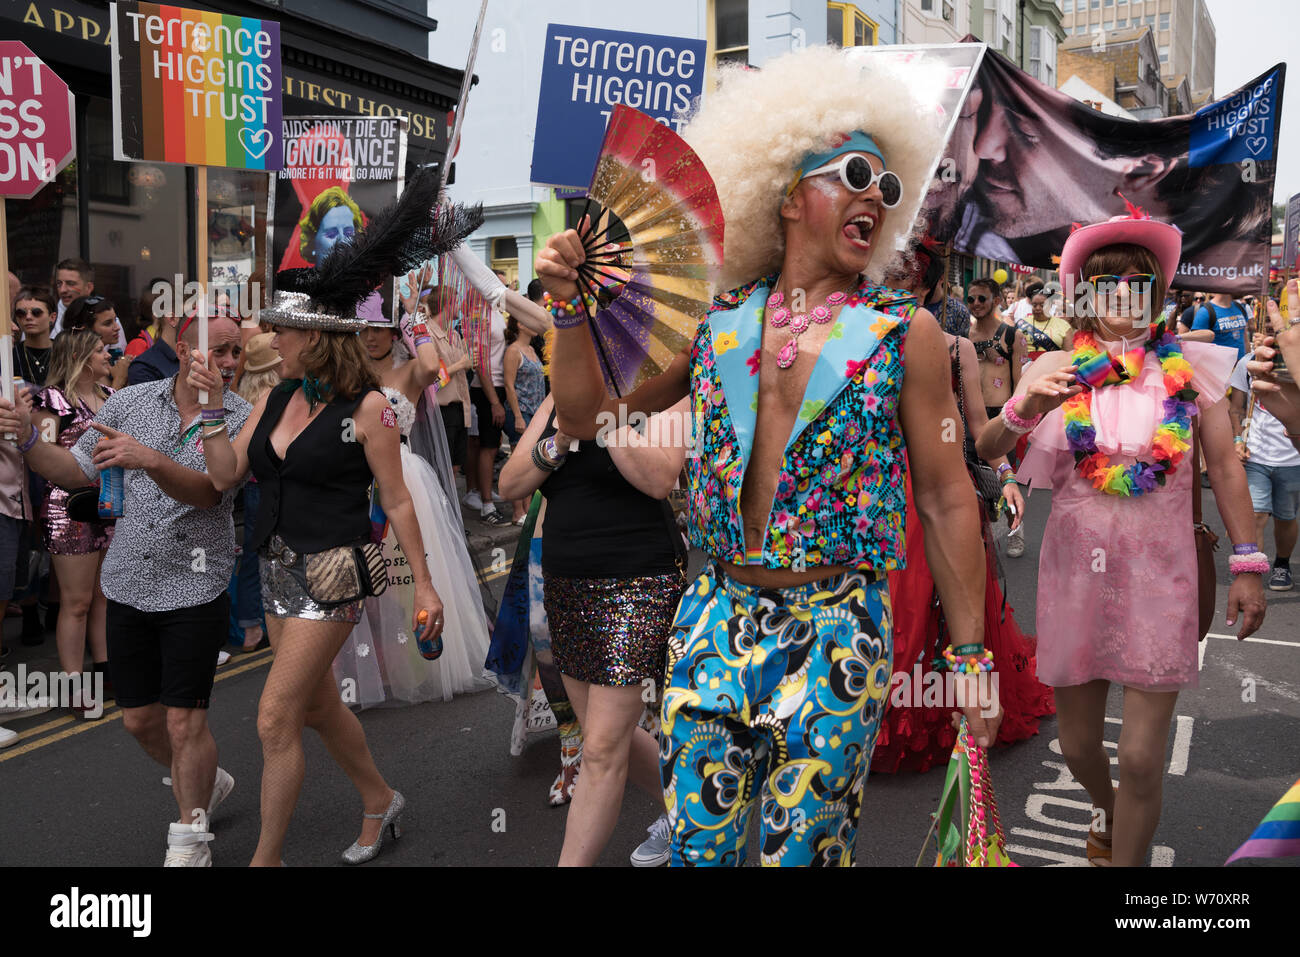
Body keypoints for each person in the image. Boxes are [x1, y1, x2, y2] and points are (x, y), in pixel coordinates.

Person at [538, 46, 1000, 867]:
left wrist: (969, 657)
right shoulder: (714, 324)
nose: (875, 197)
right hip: (713, 617)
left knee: (805, 858)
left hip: (837, 629)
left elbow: (947, 495)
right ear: (787, 193)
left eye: (888, 188)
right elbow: (586, 415)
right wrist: (572, 310)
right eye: (856, 172)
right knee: (698, 852)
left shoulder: (907, 334)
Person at [183, 172, 475, 864]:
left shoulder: (367, 410)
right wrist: (208, 412)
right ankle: (379, 796)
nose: (270, 339)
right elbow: (225, 476)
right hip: (276, 568)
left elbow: (397, 499)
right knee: (314, 706)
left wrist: (426, 586)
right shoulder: (274, 394)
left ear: (315, 337)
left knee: (275, 716)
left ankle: (267, 858)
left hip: (334, 575)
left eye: (282, 330)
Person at [976, 210, 1266, 866]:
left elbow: (1222, 465)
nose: (1123, 297)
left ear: (1156, 294)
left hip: (1161, 579)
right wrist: (1027, 408)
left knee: (1139, 757)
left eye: (1138, 283)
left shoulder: (1188, 368)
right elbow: (988, 446)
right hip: (1076, 575)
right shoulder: (1055, 363)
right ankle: (1104, 808)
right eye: (1107, 285)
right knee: (1079, 747)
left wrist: (1248, 559)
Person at [0, 313, 250, 866]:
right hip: (128, 582)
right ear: (184, 351)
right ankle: (207, 784)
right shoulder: (130, 402)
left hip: (195, 585)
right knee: (140, 720)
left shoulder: (241, 418)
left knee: (186, 720)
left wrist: (150, 459)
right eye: (222, 351)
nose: (231, 364)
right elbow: (73, 471)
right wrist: (26, 441)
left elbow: (211, 492)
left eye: (238, 354)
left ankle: (190, 837)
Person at [499, 392, 689, 866]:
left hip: (638, 582)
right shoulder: (558, 393)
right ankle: (691, 815)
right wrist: (562, 436)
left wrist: (602, 413)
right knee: (603, 734)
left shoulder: (668, 388)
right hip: (567, 584)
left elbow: (660, 478)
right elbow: (510, 483)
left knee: (601, 749)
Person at [873, 327, 1050, 773]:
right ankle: (873, 713)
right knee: (891, 609)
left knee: (943, 605)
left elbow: (976, 427)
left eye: (912, 275)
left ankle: (945, 709)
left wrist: (1006, 476)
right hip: (873, 500)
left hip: (939, 492)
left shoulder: (955, 348)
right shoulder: (849, 331)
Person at [343, 299, 492, 707]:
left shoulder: (410, 371)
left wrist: (415, 313)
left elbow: (432, 366)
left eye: (380, 327)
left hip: (402, 479)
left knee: (407, 579)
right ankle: (376, 668)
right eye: (364, 327)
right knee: (366, 584)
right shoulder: (346, 374)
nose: (371, 335)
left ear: (395, 332)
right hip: (355, 483)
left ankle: (419, 662)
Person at [31, 330, 116, 719]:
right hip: (68, 507)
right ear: (80, 356)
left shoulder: (111, 396)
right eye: (99, 350)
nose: (108, 354)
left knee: (103, 596)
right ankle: (74, 685)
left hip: (109, 504)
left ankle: (105, 670)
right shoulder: (53, 400)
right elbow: (42, 453)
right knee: (77, 602)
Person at [1230, 343, 1300, 591]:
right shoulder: (1248, 363)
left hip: (1293, 458)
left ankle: (1282, 564)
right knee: (1256, 515)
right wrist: (1238, 440)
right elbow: (1236, 407)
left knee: (1286, 518)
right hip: (1255, 457)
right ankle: (1252, 575)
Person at [228, 333, 282, 653]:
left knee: (253, 555)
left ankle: (251, 625)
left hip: (251, 488)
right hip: (267, 488)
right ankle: (259, 623)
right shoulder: (276, 397)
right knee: (271, 555)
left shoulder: (242, 396)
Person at [970, 276, 1029, 557]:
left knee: (1007, 477)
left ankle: (1015, 531)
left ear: (995, 300)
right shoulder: (963, 335)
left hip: (999, 417)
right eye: (970, 299)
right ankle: (977, 535)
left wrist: (1016, 422)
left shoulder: (1011, 335)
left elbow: (1020, 384)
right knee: (973, 480)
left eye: (982, 298)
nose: (975, 304)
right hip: (969, 415)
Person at [465, 297, 509, 525]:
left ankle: (487, 494)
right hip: (487, 389)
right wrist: (494, 402)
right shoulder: (478, 316)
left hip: (499, 387)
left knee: (492, 444)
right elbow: (479, 361)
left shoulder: (496, 311)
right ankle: (486, 505)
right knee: (488, 447)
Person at [502, 314, 546, 525]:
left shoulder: (532, 351)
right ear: (520, 324)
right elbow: (509, 385)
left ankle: (528, 508)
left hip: (536, 413)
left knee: (532, 462)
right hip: (521, 413)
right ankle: (517, 511)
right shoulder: (513, 351)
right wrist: (518, 415)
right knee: (519, 461)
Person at [62, 296, 129, 389]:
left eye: (115, 320)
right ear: (85, 329)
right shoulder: (81, 368)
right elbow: (98, 403)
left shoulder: (107, 359)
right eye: (108, 323)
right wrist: (119, 380)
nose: (117, 327)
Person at [1184, 290, 1251, 360]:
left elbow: (1245, 338)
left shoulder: (1240, 308)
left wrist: (1247, 360)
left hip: (1240, 366)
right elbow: (1196, 346)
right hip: (1217, 367)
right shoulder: (1204, 312)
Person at [1014, 284, 1074, 359]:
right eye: (1034, 305)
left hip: (1053, 366)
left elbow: (1069, 355)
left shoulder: (1063, 325)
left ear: (1051, 305)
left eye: (1042, 305)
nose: (1037, 308)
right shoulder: (1022, 323)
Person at [14, 285, 56, 386]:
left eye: (36, 312)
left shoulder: (66, 352)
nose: (28, 317)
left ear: (52, 317)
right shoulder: (10, 355)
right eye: (21, 313)